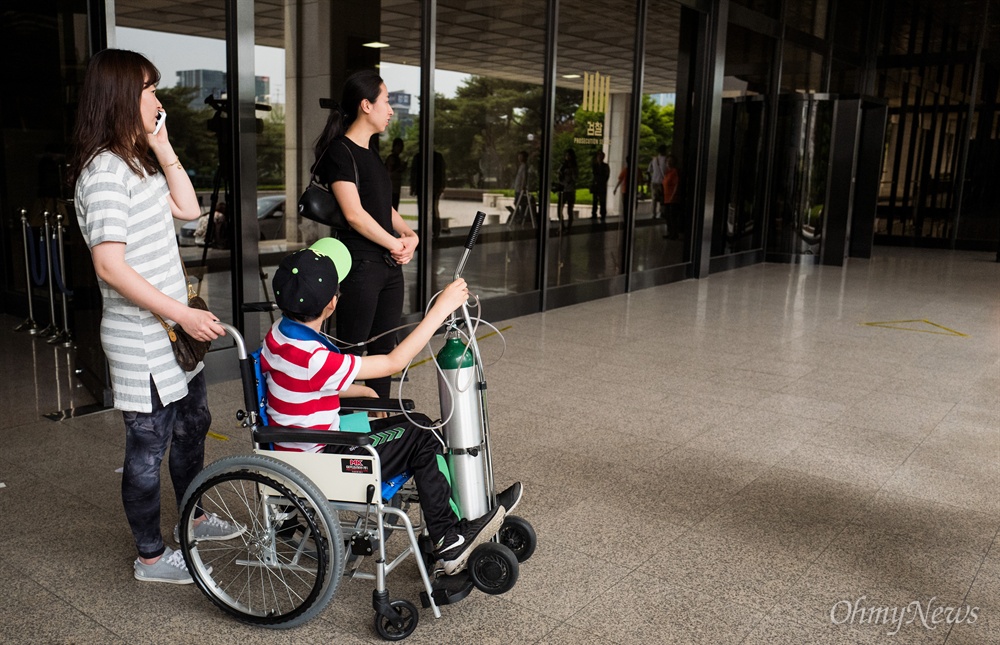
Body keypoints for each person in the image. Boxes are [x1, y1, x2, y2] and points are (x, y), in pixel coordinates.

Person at [68, 49, 239, 585]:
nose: (159, 101)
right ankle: (149, 557)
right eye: (149, 91)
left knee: (193, 426)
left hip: (172, 332)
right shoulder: (103, 174)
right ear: (122, 97)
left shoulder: (136, 162)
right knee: (146, 450)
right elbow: (109, 266)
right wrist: (183, 315)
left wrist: (163, 146)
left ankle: (197, 515)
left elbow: (188, 209)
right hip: (144, 339)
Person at [260, 247, 523, 574]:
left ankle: (450, 524)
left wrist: (364, 392)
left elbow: (303, 384)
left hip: (302, 446)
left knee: (420, 427)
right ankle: (448, 539)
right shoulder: (313, 356)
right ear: (332, 303)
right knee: (422, 435)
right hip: (323, 456)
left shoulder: (279, 336)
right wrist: (440, 309)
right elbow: (393, 362)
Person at [312, 69, 419, 401]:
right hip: (360, 266)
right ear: (366, 105)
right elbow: (355, 214)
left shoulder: (371, 153)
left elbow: (380, 206)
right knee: (355, 352)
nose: (391, 109)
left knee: (384, 351)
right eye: (386, 101)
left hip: (388, 266)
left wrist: (408, 234)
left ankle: (380, 425)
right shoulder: (339, 152)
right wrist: (394, 243)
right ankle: (353, 432)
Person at [410, 148, 447, 239]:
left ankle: (433, 231)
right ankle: (433, 231)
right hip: (426, 188)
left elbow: (414, 173)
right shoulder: (425, 157)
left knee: (430, 209)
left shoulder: (421, 157)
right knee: (430, 209)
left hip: (430, 188)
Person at [556, 148, 578, 230]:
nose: (567, 157)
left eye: (569, 155)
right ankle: (562, 226)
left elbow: (575, 178)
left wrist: (571, 171)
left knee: (569, 210)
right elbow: (559, 176)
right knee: (559, 210)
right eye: (566, 155)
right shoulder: (563, 165)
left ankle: (569, 227)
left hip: (570, 190)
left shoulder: (574, 166)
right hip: (563, 189)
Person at [384, 137, 407, 211]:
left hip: (395, 188)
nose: (400, 149)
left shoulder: (397, 159)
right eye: (399, 146)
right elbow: (389, 173)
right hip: (391, 188)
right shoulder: (392, 158)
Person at [662, 154, 681, 239]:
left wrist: (673, 195)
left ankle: (674, 233)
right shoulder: (667, 173)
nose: (668, 163)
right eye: (667, 161)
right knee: (668, 216)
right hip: (666, 198)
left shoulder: (674, 172)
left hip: (672, 198)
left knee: (672, 217)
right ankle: (670, 233)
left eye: (670, 161)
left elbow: (676, 184)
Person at [647, 144, 667, 219]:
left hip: (654, 181)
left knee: (654, 199)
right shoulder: (666, 160)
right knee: (663, 199)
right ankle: (662, 212)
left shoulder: (654, 159)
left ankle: (653, 214)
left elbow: (649, 170)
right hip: (663, 182)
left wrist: (649, 181)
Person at [590, 151, 610, 221]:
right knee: (595, 200)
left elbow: (606, 176)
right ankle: (594, 213)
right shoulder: (595, 166)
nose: (599, 158)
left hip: (601, 185)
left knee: (602, 200)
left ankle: (602, 213)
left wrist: (602, 181)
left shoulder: (605, 166)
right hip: (596, 184)